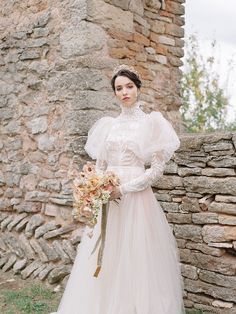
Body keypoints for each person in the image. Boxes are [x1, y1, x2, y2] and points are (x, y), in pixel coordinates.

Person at [53, 64, 186, 314]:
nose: (124, 92)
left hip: (135, 198)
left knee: (136, 254)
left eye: (129, 86)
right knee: (108, 251)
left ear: (137, 89)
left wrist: (123, 189)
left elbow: (156, 170)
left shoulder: (151, 123)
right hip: (107, 197)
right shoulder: (108, 126)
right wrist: (96, 186)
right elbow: (100, 164)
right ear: (114, 93)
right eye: (118, 88)